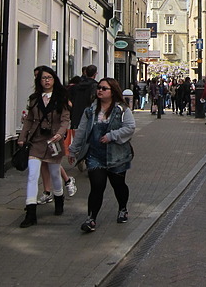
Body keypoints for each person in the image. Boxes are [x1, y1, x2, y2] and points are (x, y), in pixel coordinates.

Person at [68, 77, 136, 233]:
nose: (100, 90)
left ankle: (123, 208)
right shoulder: (90, 111)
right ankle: (91, 219)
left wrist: (111, 136)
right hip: (95, 155)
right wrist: (73, 150)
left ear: (113, 91)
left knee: (118, 186)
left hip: (117, 155)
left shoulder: (122, 109)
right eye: (99, 87)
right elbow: (82, 131)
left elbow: (130, 127)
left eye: (104, 88)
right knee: (97, 186)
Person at [17, 66, 71, 228]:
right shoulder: (34, 98)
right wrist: (22, 137)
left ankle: (59, 199)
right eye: (43, 78)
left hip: (54, 141)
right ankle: (31, 213)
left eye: (49, 77)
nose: (46, 81)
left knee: (55, 174)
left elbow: (65, 119)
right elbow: (29, 120)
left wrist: (60, 134)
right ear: (38, 81)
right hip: (37, 141)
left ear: (54, 79)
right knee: (33, 175)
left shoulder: (61, 98)